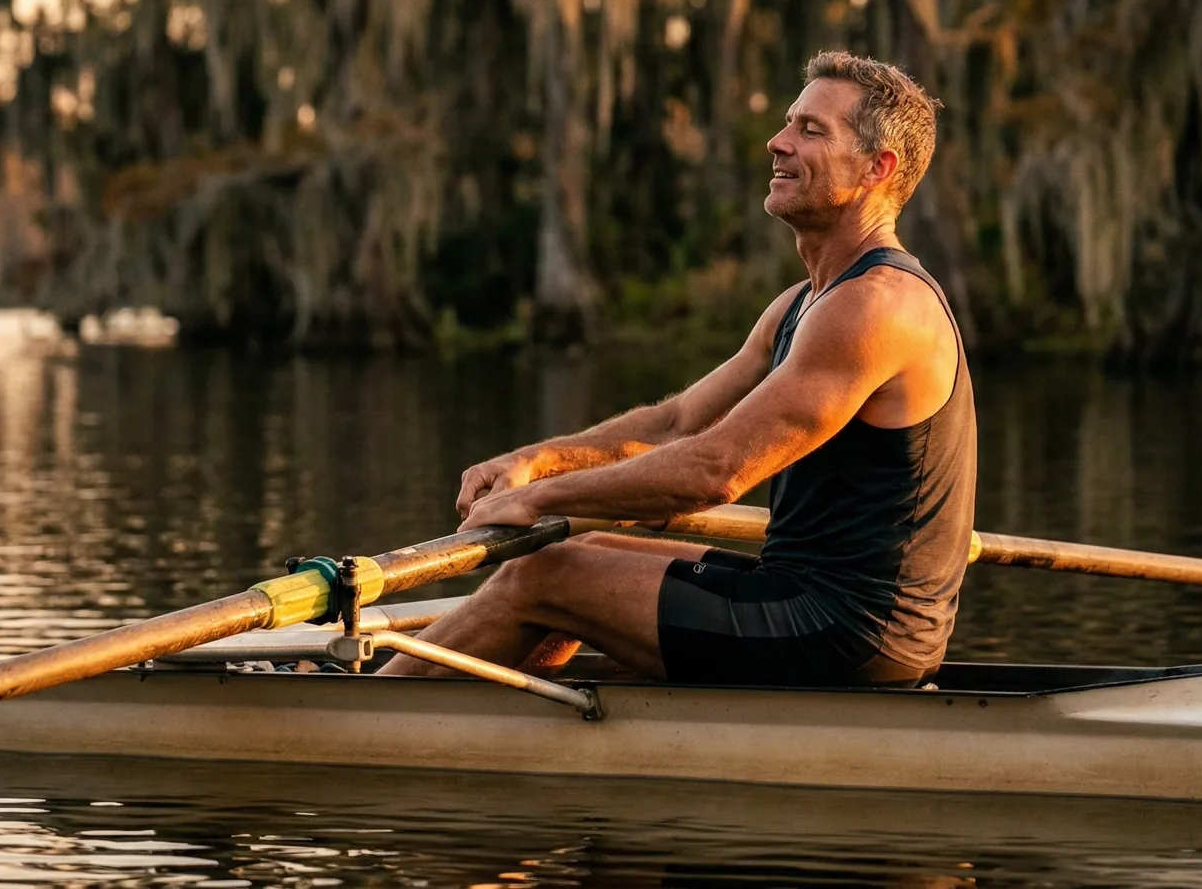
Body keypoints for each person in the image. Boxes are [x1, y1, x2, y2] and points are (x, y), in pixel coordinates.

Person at [378, 51, 976, 687]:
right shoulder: (803, 303)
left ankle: (368, 715)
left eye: (812, 130)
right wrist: (535, 462)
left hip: (851, 634)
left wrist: (536, 501)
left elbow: (713, 470)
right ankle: (480, 708)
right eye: (788, 122)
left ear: (877, 169)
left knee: (541, 574)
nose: (777, 143)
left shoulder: (877, 306)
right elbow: (676, 423)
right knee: (584, 555)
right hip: (802, 595)